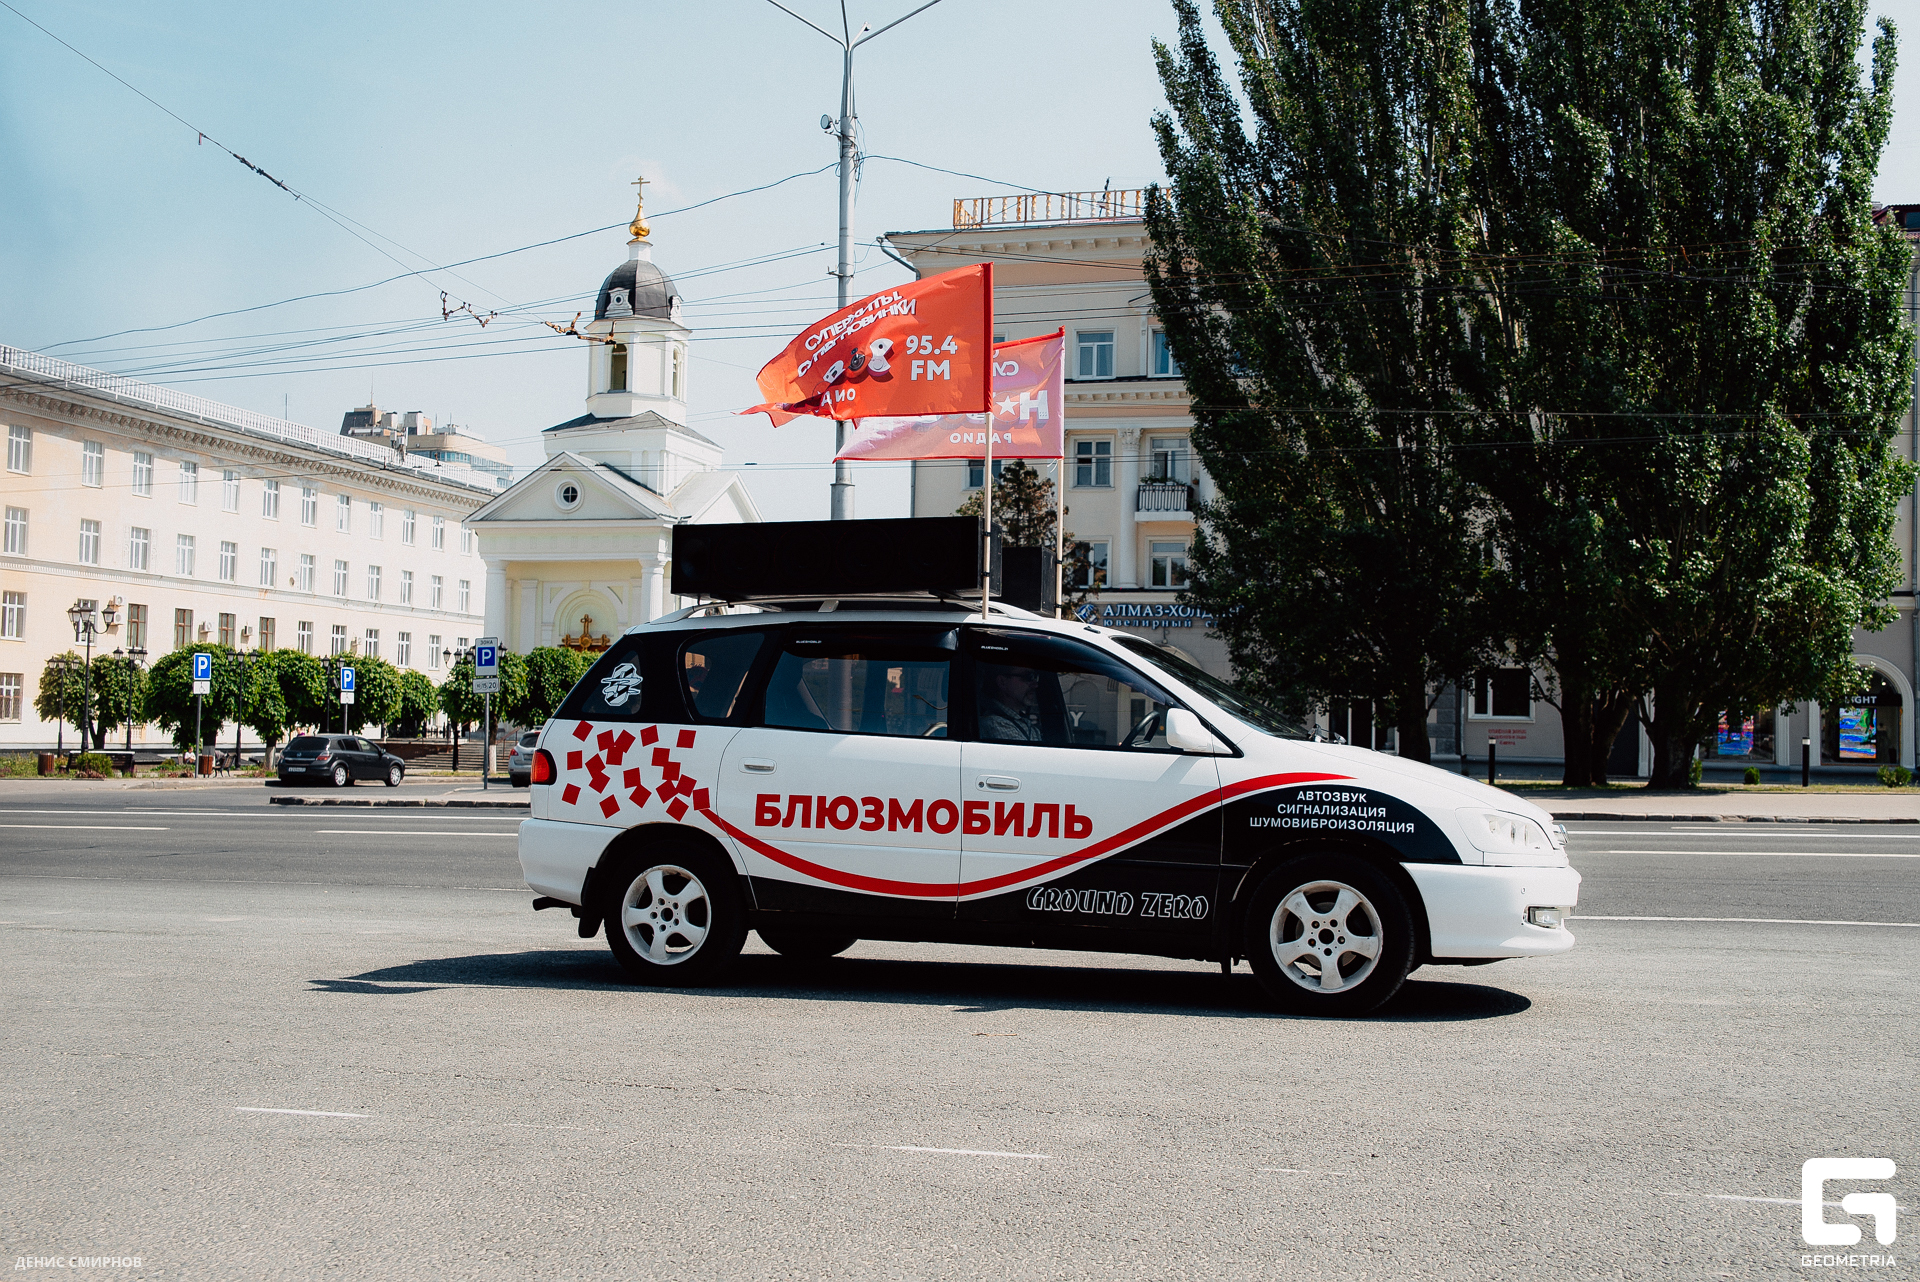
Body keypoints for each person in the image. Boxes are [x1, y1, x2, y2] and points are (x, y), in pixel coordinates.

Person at [979, 667, 1044, 743]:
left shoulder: (1022, 720)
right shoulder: (996, 723)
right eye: (1028, 676)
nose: (1035, 685)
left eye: (1035, 677)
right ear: (1002, 682)